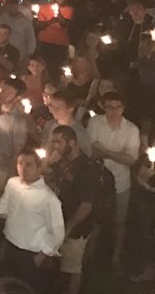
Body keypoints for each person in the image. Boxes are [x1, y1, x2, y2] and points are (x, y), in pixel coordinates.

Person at [0, 149, 65, 294]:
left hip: (31, 254)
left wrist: (41, 256)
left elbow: (57, 232)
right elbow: (2, 210)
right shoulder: (12, 183)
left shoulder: (47, 198)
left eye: (29, 164)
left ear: (39, 168)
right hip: (10, 248)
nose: (23, 168)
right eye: (20, 163)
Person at [86, 90, 139, 269]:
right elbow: (91, 150)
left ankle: (116, 253)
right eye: (110, 107)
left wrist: (106, 152)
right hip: (96, 179)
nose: (114, 111)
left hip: (120, 181)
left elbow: (131, 159)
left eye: (118, 107)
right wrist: (118, 155)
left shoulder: (131, 130)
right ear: (103, 107)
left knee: (119, 220)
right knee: (95, 217)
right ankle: (91, 250)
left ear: (123, 108)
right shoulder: (95, 123)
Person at [47, 125, 98, 294]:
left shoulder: (86, 168)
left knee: (73, 268)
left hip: (76, 229)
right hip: (60, 222)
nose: (54, 146)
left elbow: (86, 206)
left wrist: (68, 228)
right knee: (63, 265)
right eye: (53, 142)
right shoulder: (63, 162)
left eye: (58, 142)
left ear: (72, 142)